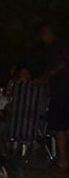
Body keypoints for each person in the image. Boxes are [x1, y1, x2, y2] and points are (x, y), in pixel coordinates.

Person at [34, 26, 69, 169]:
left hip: (61, 90)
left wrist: (43, 78)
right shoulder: (64, 45)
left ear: (44, 36)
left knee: (60, 126)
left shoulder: (53, 48)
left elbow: (60, 66)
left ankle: (62, 160)